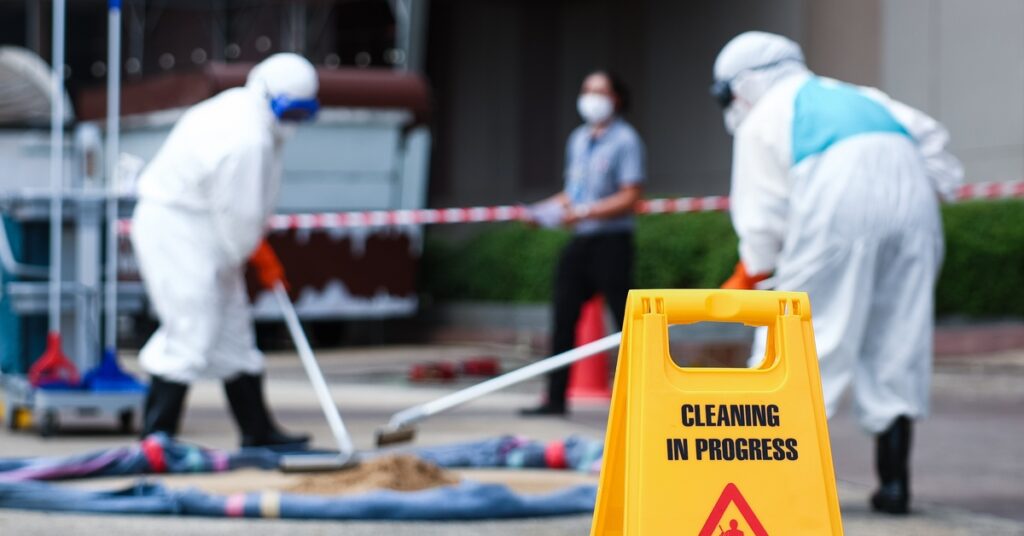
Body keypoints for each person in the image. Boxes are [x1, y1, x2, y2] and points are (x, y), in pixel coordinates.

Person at [711, 32, 963, 514]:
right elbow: (929, 136)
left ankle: (770, 489)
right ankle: (894, 486)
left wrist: (759, 275)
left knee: (798, 343)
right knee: (897, 341)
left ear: (743, 84)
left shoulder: (764, 116)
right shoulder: (861, 95)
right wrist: (920, 192)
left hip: (836, 211)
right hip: (912, 210)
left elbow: (760, 213)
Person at [131, 53, 320, 448]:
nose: (295, 123)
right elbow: (242, 215)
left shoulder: (244, 111)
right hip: (179, 230)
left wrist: (245, 247)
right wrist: (255, 250)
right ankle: (157, 435)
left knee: (234, 330)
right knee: (191, 330)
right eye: (292, 111)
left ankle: (258, 432)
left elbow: (240, 214)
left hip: (210, 230)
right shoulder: (246, 137)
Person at [520, 71, 646, 416]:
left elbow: (631, 194)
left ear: (616, 97)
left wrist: (589, 211)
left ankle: (641, 400)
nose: (592, 97)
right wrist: (541, 212)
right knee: (562, 317)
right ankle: (555, 397)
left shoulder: (625, 140)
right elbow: (571, 195)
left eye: (600, 91)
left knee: (626, 321)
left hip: (613, 241)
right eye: (587, 89)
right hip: (582, 241)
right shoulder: (578, 139)